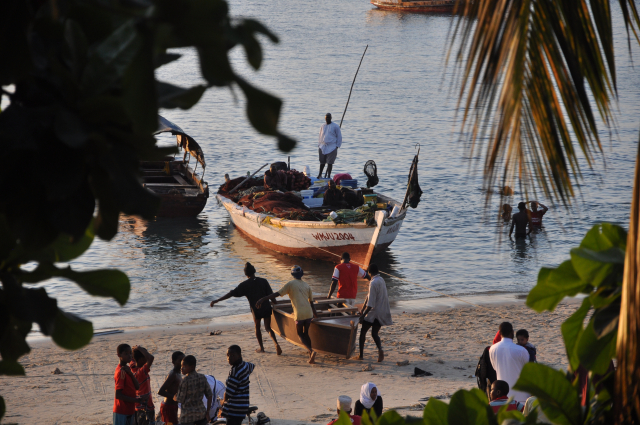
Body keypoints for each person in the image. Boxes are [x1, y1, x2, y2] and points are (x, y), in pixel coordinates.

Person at [210, 262, 282, 355]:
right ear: (254, 271)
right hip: (266, 307)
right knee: (268, 328)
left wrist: (216, 300)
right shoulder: (263, 281)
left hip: (255, 309)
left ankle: (262, 348)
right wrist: (276, 304)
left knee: (257, 327)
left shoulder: (244, 285)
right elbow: (271, 295)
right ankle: (276, 344)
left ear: (246, 274)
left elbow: (231, 293)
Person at [256, 265, 319, 364]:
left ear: (292, 274)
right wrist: (316, 317)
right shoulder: (307, 285)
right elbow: (311, 303)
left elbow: (277, 294)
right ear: (301, 274)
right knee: (306, 333)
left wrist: (263, 299)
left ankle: (311, 351)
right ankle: (310, 354)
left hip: (299, 313)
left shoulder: (290, 284)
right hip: (309, 313)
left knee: (300, 334)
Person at [358, 264, 392, 363]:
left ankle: (361, 355)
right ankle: (380, 349)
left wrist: (363, 315)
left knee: (363, 332)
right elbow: (368, 297)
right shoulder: (381, 280)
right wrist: (362, 309)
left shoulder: (373, 283)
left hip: (374, 312)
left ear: (369, 273)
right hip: (383, 311)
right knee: (374, 333)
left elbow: (371, 304)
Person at [489, 322, 530, 403]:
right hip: (522, 395)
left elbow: (495, 368)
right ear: (512, 332)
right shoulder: (521, 350)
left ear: (500, 333)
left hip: (503, 396)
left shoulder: (492, 349)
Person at [221, 345, 256, 425]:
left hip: (235, 408)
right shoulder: (245, 365)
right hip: (243, 405)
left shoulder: (235, 371)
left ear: (239, 355)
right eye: (228, 355)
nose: (229, 358)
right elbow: (252, 366)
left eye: (233, 355)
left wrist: (222, 401)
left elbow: (229, 393)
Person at [113, 344, 146, 425]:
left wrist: (131, 374)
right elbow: (118, 395)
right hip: (122, 411)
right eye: (126, 354)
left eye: (130, 353)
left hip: (129, 410)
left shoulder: (127, 370)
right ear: (119, 355)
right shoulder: (121, 371)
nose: (129, 356)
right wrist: (136, 400)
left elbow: (137, 386)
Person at [175, 355, 213, 425]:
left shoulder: (185, 381)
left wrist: (174, 397)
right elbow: (210, 395)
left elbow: (180, 399)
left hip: (187, 417)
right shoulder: (202, 377)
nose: (181, 368)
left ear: (192, 367)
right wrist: (207, 412)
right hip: (201, 415)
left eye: (184, 367)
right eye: (181, 366)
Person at [130, 346, 155, 425]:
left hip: (137, 406)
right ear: (141, 359)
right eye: (145, 357)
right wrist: (139, 348)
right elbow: (151, 358)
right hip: (146, 407)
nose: (147, 359)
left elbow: (133, 358)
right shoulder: (141, 373)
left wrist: (136, 350)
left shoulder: (132, 367)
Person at [157, 351, 184, 425]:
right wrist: (173, 397)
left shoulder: (178, 373)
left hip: (173, 406)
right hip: (168, 407)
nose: (182, 363)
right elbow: (160, 391)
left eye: (183, 360)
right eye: (180, 360)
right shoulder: (173, 374)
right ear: (173, 362)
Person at [318, 112, 342, 179]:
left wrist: (337, 146)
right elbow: (320, 135)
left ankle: (328, 176)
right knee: (322, 162)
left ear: (331, 118)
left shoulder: (335, 126)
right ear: (325, 118)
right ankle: (320, 174)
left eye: (329, 117)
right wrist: (319, 144)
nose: (327, 119)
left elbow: (339, 137)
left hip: (332, 147)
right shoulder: (323, 126)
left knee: (330, 162)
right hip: (322, 146)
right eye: (326, 117)